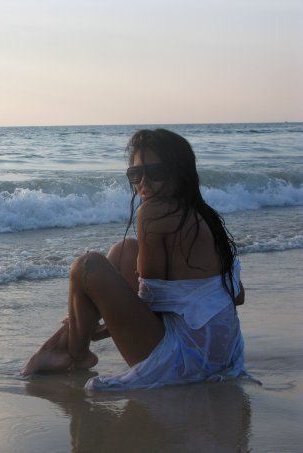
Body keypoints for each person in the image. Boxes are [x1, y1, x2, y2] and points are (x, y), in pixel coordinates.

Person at [22, 129, 249, 390]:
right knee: (124, 251)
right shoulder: (203, 214)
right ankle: (61, 346)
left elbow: (152, 298)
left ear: (179, 172)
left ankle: (74, 353)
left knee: (87, 266)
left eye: (156, 173)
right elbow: (237, 294)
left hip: (188, 362)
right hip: (222, 351)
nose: (143, 183)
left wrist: (102, 329)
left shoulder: (153, 212)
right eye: (135, 174)